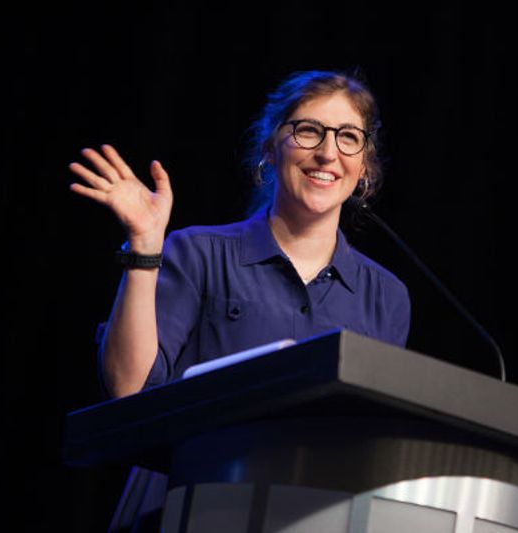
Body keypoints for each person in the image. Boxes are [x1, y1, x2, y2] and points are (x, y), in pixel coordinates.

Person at [69, 69, 411, 530]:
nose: (328, 152)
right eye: (308, 130)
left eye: (349, 137)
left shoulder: (386, 297)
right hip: (182, 506)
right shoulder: (198, 252)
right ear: (271, 147)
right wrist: (146, 247)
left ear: (365, 165)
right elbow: (128, 388)